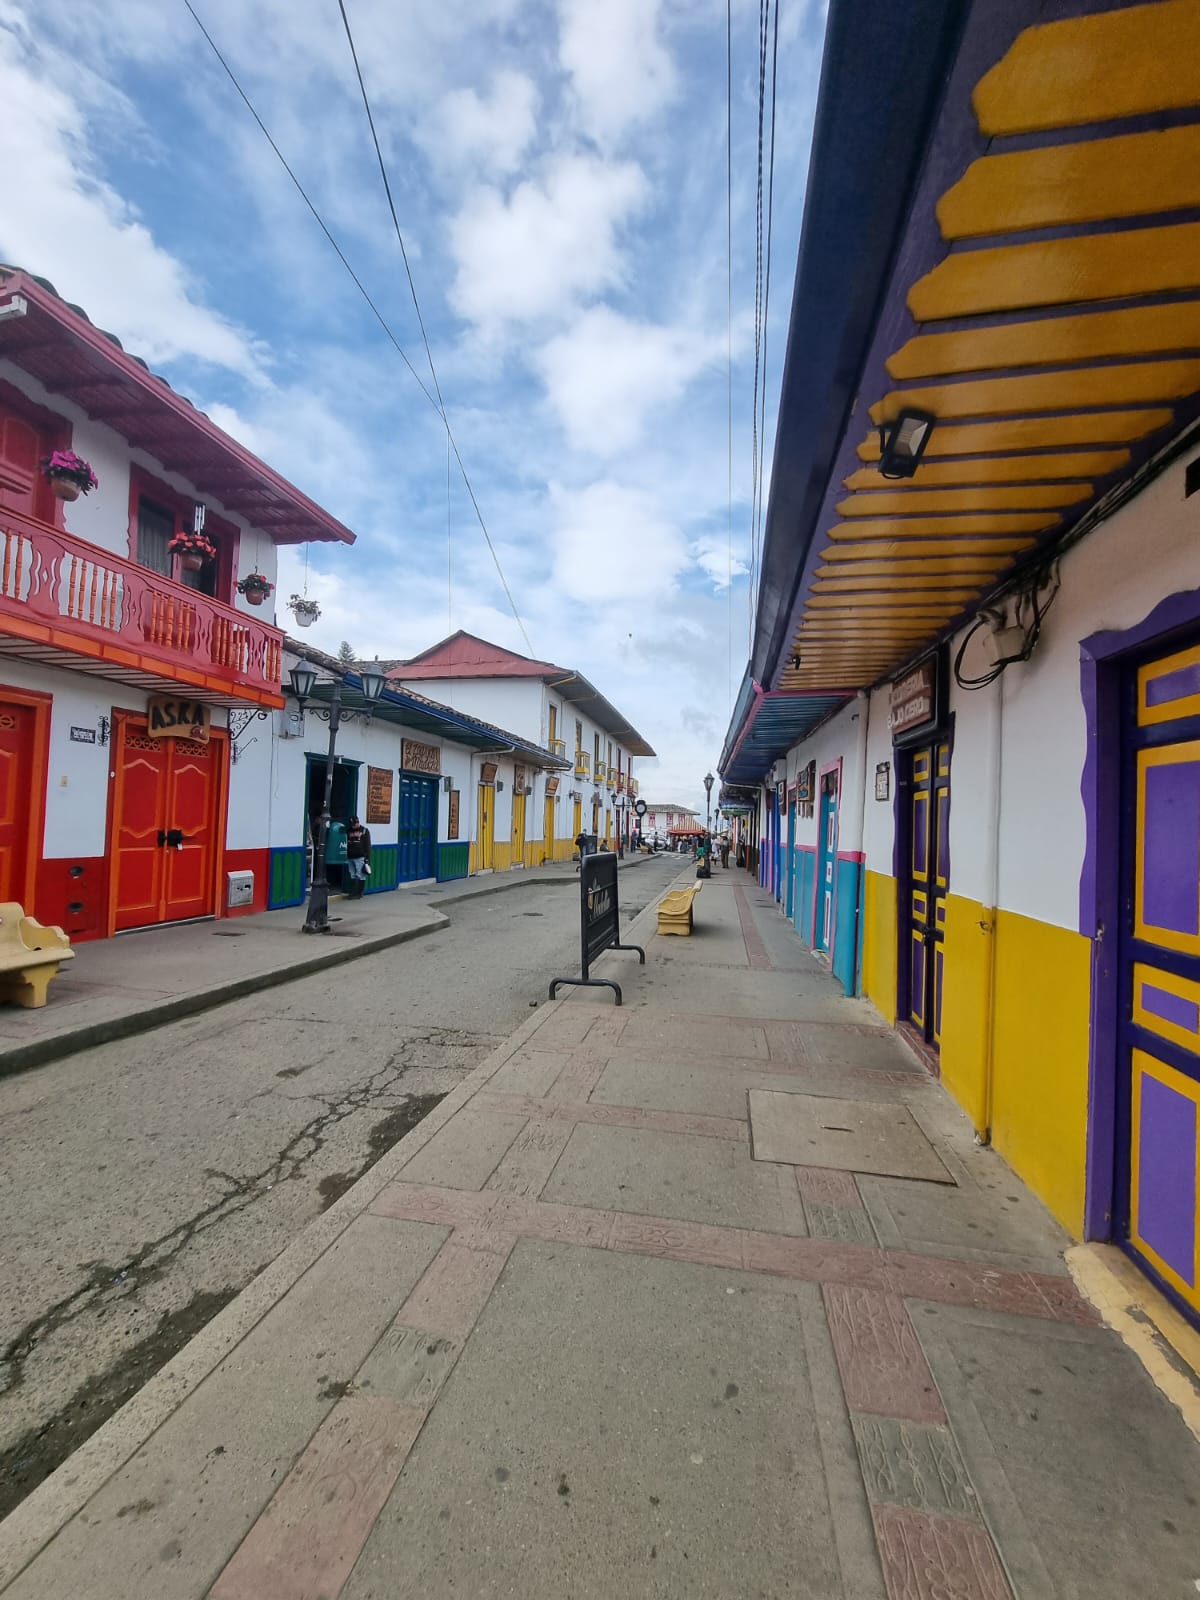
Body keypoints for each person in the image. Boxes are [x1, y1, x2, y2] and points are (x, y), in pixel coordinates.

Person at [345, 814, 372, 898]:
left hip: (360, 856)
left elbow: (367, 845)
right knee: (352, 874)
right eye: (352, 825)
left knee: (360, 875)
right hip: (350, 856)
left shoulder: (364, 831)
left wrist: (367, 858)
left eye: (354, 824)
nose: (353, 826)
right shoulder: (348, 831)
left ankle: (359, 893)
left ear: (357, 822)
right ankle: (353, 892)